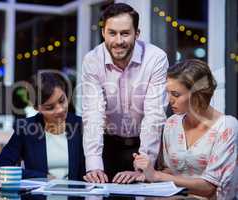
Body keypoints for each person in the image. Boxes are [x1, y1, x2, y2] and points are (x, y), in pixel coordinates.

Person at [82, 3, 168, 183]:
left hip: (144, 145)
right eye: (112, 33)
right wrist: (94, 165)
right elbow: (93, 113)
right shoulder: (92, 60)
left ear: (137, 34)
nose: (118, 40)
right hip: (108, 144)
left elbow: (154, 114)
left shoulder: (156, 58)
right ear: (103, 32)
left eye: (125, 33)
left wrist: (144, 166)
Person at [133, 59, 238, 199]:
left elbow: (209, 188)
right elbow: (171, 172)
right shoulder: (172, 123)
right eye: (168, 93)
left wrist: (157, 175)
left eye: (176, 94)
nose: (169, 100)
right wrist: (145, 172)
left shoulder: (227, 127)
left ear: (198, 94)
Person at [0, 72, 85, 180]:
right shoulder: (26, 128)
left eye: (62, 100)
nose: (60, 109)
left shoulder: (81, 125)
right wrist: (41, 177)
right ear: (37, 108)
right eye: (50, 107)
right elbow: (0, 171)